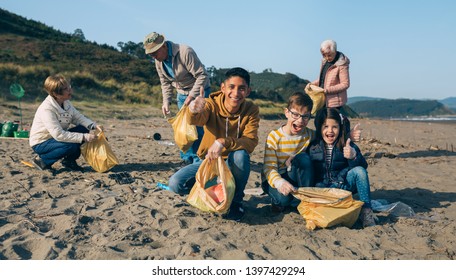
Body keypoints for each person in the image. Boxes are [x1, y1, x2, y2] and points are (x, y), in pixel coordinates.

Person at [167, 67, 260, 222]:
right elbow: (197, 119)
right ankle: (206, 188)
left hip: (232, 164)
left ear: (248, 91)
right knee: (175, 184)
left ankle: (236, 202)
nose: (236, 93)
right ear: (223, 88)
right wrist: (193, 110)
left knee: (241, 155)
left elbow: (250, 141)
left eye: (241, 88)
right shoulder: (211, 104)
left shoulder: (251, 110)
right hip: (208, 161)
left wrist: (223, 142)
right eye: (231, 87)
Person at [143, 32, 210, 164]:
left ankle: (199, 160)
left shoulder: (185, 52)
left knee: (197, 127)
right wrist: (166, 101)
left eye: (155, 53)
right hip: (181, 94)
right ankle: (186, 159)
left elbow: (202, 76)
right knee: (183, 129)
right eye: (150, 54)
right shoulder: (158, 61)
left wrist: (192, 96)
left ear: (163, 46)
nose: (153, 56)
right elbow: (165, 82)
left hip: (199, 92)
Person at [308, 108, 377, 227]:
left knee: (359, 171)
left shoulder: (346, 144)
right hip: (321, 191)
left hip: (342, 187)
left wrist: (353, 156)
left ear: (340, 128)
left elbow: (363, 167)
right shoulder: (312, 146)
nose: (330, 131)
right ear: (319, 128)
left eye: (334, 127)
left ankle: (366, 211)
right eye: (325, 126)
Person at [29, 74, 102, 172]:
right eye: (66, 89)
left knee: (83, 128)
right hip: (41, 142)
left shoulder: (65, 102)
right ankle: (43, 161)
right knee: (71, 145)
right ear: (56, 94)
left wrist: (93, 126)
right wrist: (84, 137)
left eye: (69, 87)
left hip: (56, 138)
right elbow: (58, 134)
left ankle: (69, 161)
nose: (70, 91)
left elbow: (78, 117)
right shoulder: (47, 109)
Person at [261, 92, 315, 212]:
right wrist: (279, 182)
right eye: (295, 114)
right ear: (286, 112)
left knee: (303, 158)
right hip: (275, 178)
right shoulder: (274, 136)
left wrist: (348, 135)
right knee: (284, 200)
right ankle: (277, 200)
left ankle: (304, 198)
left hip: (295, 175)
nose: (300, 120)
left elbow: (328, 139)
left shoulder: (310, 135)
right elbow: (269, 168)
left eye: (305, 116)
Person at [305, 39, 350, 110]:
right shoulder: (324, 62)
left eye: (329, 55)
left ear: (334, 51)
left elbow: (345, 84)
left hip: (334, 102)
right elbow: (323, 79)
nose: (326, 58)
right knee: (319, 120)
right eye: (324, 55)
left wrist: (327, 90)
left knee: (329, 120)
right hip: (322, 99)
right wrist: (311, 84)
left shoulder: (342, 64)